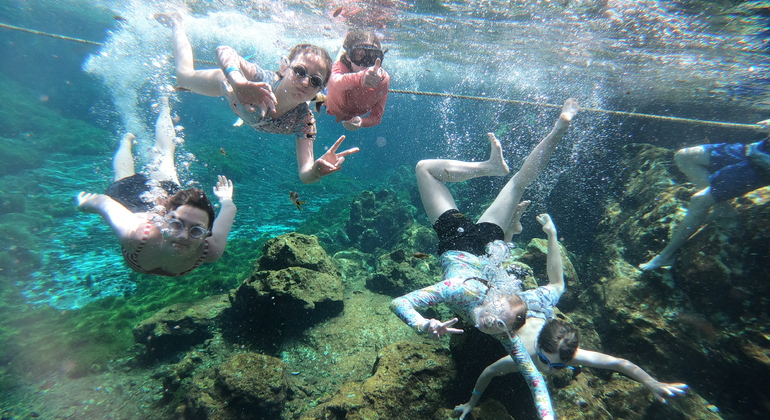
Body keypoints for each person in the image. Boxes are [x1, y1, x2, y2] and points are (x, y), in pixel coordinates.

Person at [390, 98, 580, 420]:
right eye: (496, 317)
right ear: (497, 302)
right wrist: (422, 322)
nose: (490, 323)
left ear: (510, 327)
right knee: (425, 169)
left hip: (484, 243)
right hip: (458, 241)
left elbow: (536, 384)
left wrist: (548, 417)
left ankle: (556, 130)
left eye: (498, 325)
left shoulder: (509, 336)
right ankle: (495, 168)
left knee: (518, 181)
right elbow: (399, 303)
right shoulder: (456, 290)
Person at [453, 215, 688, 420]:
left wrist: (652, 383)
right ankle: (512, 230)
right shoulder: (522, 352)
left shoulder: (572, 356)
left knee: (557, 286)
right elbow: (489, 372)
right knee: (493, 285)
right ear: (539, 350)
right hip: (527, 307)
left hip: (543, 310)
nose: (551, 369)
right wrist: (471, 403)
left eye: (558, 365)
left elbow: (619, 363)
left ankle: (532, 231)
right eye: (546, 361)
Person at [156, 13, 359, 184]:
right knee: (183, 76)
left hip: (244, 110)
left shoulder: (304, 121)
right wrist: (237, 82)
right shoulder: (263, 80)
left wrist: (316, 171)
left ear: (319, 91)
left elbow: (304, 173)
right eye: (299, 71)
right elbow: (224, 51)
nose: (305, 82)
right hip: (226, 85)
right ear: (284, 68)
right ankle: (177, 22)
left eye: (315, 80)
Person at [76, 96, 237, 277]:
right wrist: (85, 205)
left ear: (207, 233)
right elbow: (103, 202)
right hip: (135, 203)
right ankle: (133, 135)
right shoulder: (136, 234)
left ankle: (141, 128)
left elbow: (230, 210)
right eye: (175, 224)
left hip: (146, 204)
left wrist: (226, 199)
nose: (183, 236)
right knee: (149, 163)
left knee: (142, 165)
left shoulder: (210, 250)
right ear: (163, 217)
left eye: (197, 230)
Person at [639, 122, 770, 271]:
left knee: (699, 200)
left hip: (763, 166)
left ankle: (666, 256)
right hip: (755, 148)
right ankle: (721, 208)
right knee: (684, 156)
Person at [322, 30, 390, 131]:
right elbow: (337, 82)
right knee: (327, 77)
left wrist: (361, 122)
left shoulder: (383, 79)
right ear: (349, 57)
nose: (365, 63)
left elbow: (377, 116)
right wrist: (360, 78)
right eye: (358, 55)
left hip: (344, 109)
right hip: (327, 97)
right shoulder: (340, 67)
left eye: (372, 57)